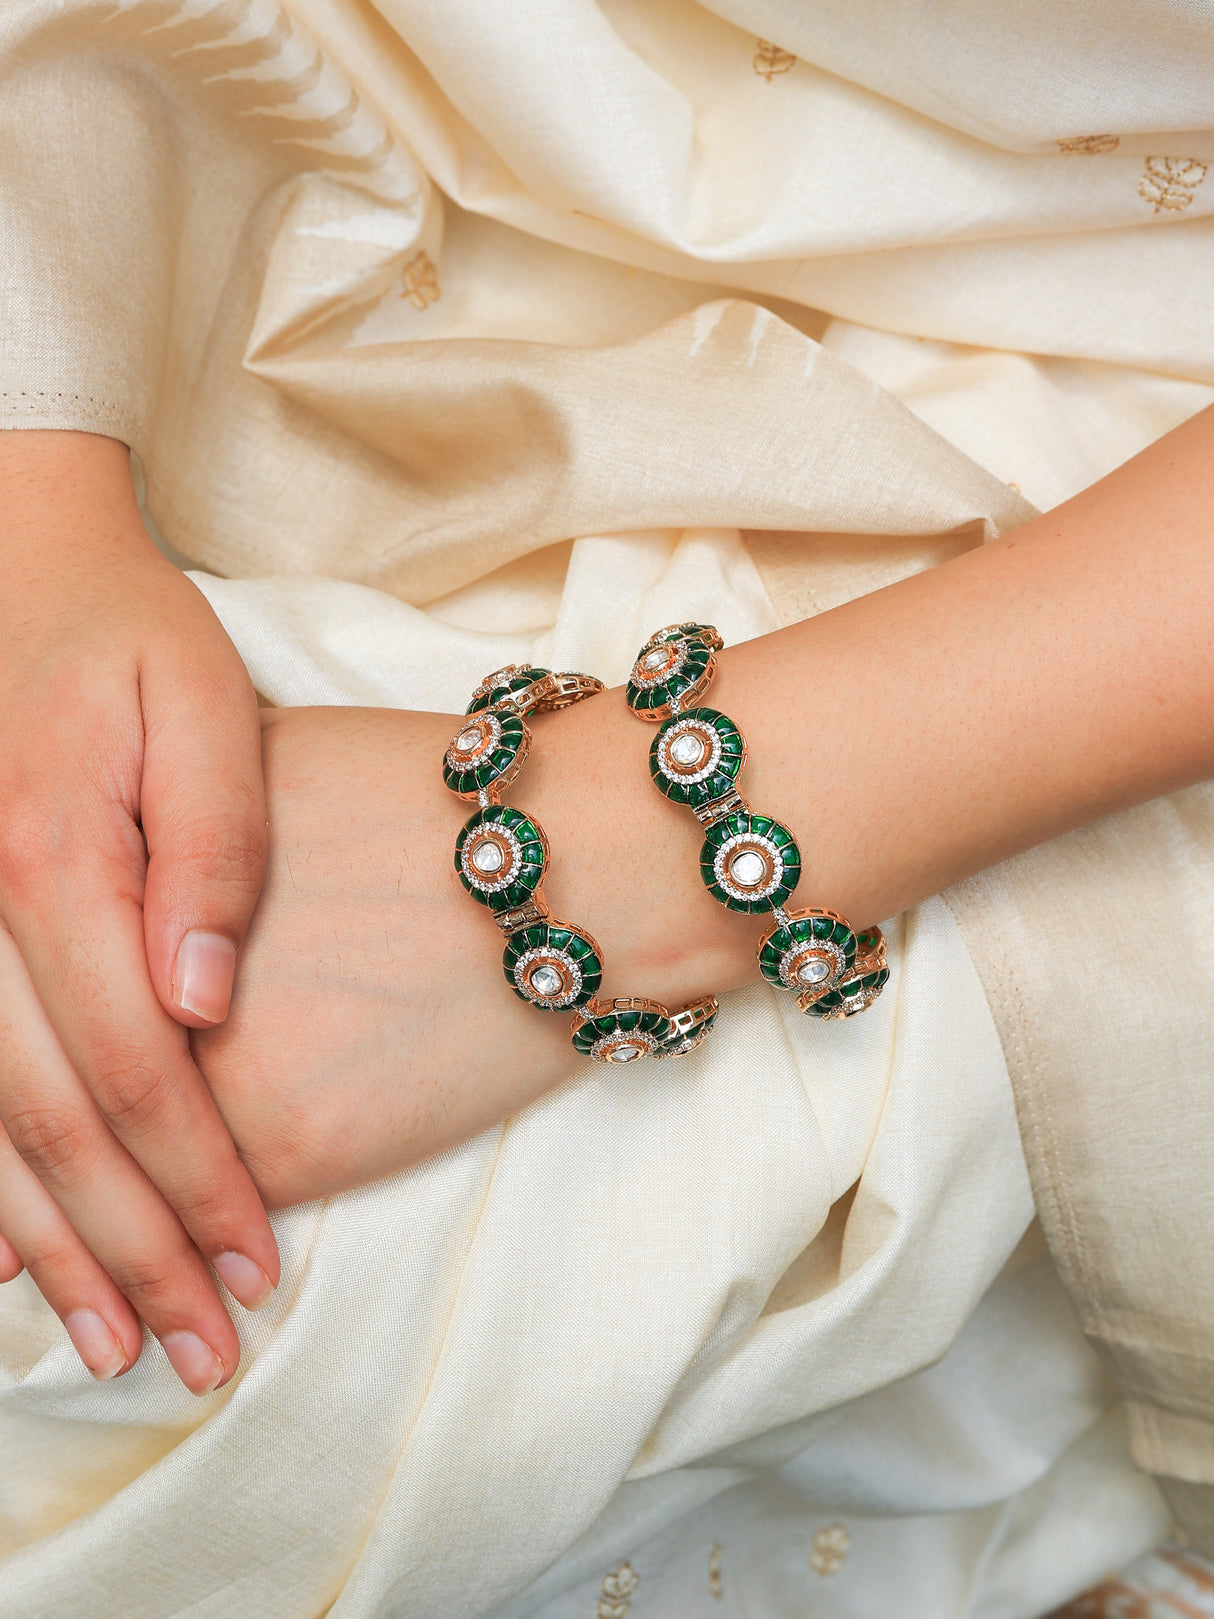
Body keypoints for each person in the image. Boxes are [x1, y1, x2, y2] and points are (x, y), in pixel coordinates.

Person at [1, 1, 1212, 1615]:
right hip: (201, 146)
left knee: (215, 1342)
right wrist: (34, 502)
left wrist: (602, 855)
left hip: (1086, 469)